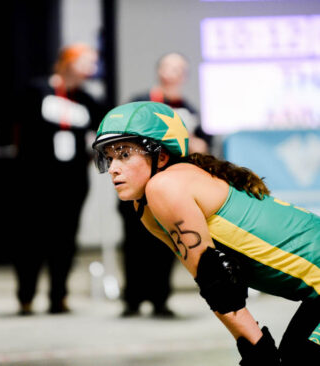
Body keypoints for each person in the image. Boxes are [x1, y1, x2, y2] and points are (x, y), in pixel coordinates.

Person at [92, 101, 320, 365]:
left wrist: (258, 351)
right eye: (109, 158)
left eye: (124, 155)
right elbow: (215, 283)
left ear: (161, 156)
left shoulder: (164, 186)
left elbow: (217, 282)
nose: (113, 169)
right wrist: (257, 349)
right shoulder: (146, 206)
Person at [15, 43, 106, 315]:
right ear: (68, 62)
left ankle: (59, 296)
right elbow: (20, 127)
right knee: (32, 238)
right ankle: (26, 296)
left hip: (72, 179)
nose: (92, 68)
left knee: (65, 239)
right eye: (87, 61)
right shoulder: (38, 90)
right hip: (36, 179)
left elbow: (102, 132)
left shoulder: (87, 99)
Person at [119, 52, 212, 317]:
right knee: (135, 244)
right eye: (167, 68)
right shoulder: (140, 103)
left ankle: (160, 299)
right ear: (159, 71)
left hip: (170, 189)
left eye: (177, 69)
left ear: (183, 76)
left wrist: (197, 144)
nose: (171, 73)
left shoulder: (189, 109)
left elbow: (204, 145)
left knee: (167, 244)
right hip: (139, 187)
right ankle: (132, 300)